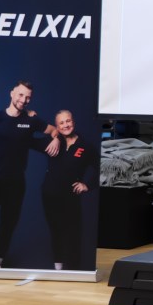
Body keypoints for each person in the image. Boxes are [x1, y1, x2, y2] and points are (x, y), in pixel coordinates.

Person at [0, 80, 60, 268]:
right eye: (20, 95)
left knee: (8, 227)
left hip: (16, 184)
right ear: (12, 93)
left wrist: (56, 139)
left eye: (28, 97)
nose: (24, 100)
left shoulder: (31, 120)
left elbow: (54, 131)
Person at [40, 109, 97, 270]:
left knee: (72, 233)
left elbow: (100, 168)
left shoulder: (85, 146)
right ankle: (58, 268)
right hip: (49, 195)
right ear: (57, 127)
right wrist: (31, 116)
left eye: (68, 121)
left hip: (70, 197)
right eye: (61, 123)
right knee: (56, 231)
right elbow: (28, 138)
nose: (66, 125)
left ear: (73, 122)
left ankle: (72, 270)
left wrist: (87, 185)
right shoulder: (52, 142)